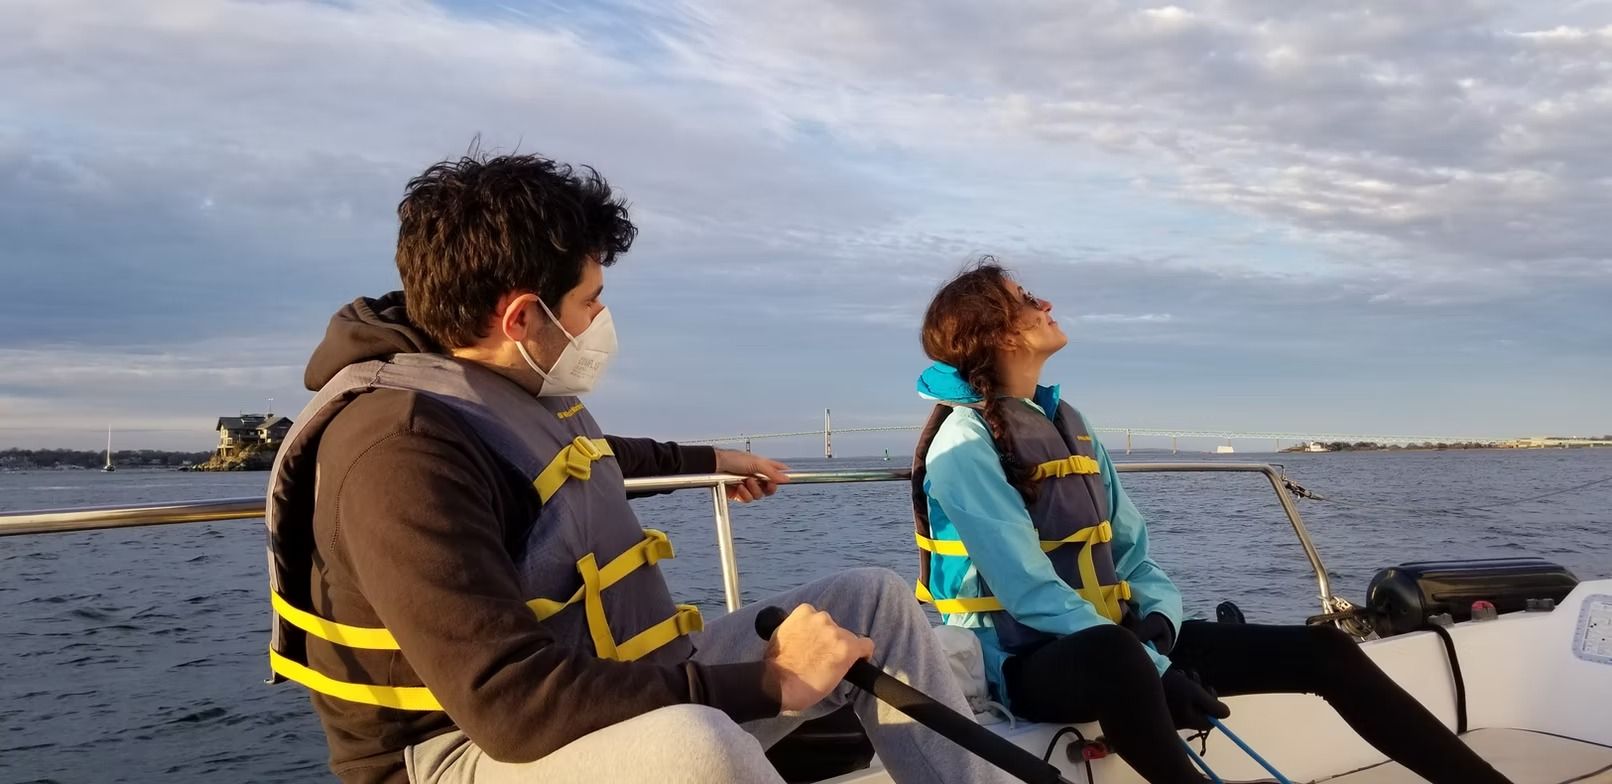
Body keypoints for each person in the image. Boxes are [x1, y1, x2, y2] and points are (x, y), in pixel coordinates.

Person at [264, 153, 1009, 784]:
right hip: (458, 753)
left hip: (593, 686)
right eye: (590, 301)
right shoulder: (396, 451)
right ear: (522, 318)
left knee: (870, 601)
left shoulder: (492, 392)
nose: (598, 321)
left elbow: (579, 459)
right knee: (700, 749)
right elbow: (511, 706)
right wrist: (767, 683)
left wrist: (712, 461)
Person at [909, 260, 1513, 784]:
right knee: (1117, 660)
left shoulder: (1070, 419)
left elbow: (1133, 553)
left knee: (1324, 650)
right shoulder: (963, 444)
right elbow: (1028, 592)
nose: (1045, 304)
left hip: (1121, 640)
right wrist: (1154, 667)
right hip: (1025, 667)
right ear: (996, 335)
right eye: (1024, 301)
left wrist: (1161, 625)